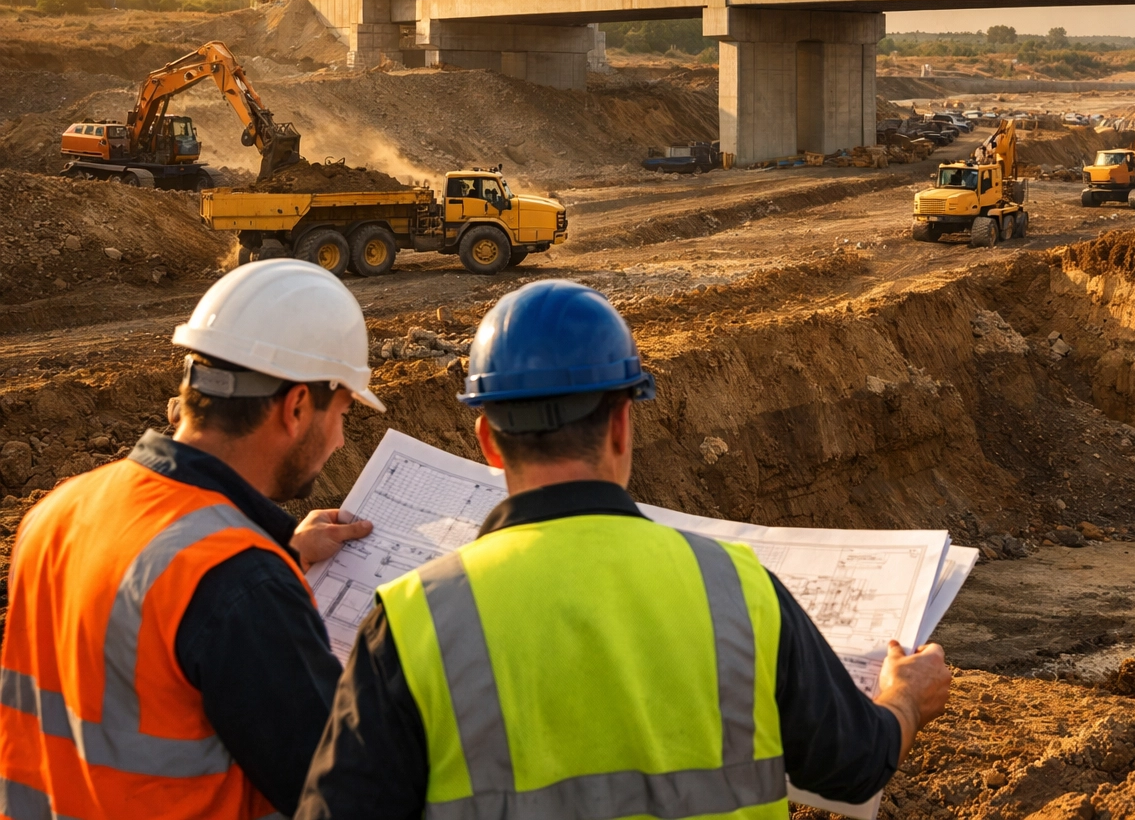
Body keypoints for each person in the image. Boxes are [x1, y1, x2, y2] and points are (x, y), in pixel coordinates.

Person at [296, 280, 952, 819]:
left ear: (488, 441)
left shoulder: (413, 622)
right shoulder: (738, 589)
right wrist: (901, 700)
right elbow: (853, 765)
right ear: (620, 422)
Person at [0, 259, 384, 820]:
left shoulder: (56, 513)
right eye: (345, 409)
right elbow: (347, 791)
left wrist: (285, 554)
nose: (341, 435)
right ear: (298, 405)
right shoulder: (239, 583)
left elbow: (136, 645)